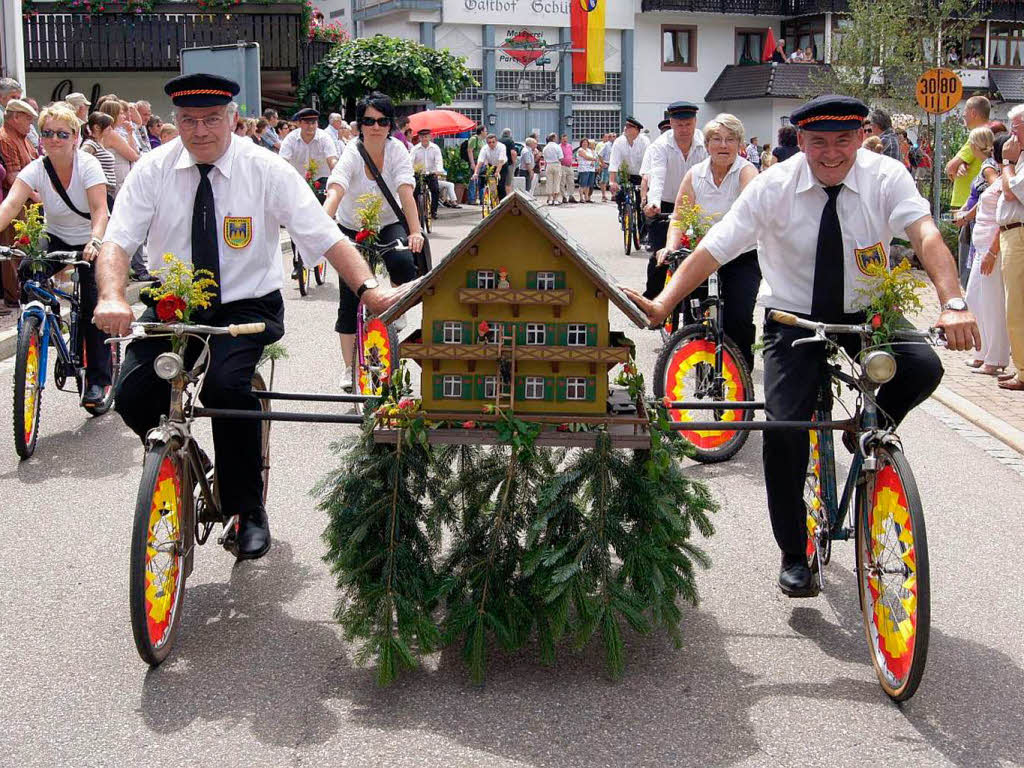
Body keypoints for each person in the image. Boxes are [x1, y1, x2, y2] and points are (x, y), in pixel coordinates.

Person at [624, 95, 978, 596]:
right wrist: (663, 304)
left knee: (922, 366)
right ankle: (794, 552)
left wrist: (954, 301)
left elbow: (925, 235)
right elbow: (715, 247)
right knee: (784, 430)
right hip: (794, 319)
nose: (830, 153)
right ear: (802, 142)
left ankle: (866, 432)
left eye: (842, 141)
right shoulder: (774, 185)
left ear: (861, 137)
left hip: (867, 312)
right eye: (817, 142)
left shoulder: (885, 176)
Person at [93, 74, 408, 560]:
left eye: (212, 120)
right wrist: (112, 295)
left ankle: (247, 508)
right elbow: (116, 241)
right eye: (189, 120)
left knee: (226, 389)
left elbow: (324, 235)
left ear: (233, 119)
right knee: (132, 394)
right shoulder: (152, 169)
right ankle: (182, 456)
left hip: (246, 304)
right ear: (175, 121)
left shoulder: (265, 168)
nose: (200, 131)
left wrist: (368, 290)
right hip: (174, 298)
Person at [0, 102, 112, 404]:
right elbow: (11, 205)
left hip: (90, 238)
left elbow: (101, 210)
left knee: (92, 308)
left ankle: (100, 381)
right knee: (28, 271)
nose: (54, 139)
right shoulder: (36, 168)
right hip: (56, 236)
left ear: (75, 136)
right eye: (47, 133)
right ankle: (42, 325)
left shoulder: (88, 165)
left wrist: (96, 241)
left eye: (62, 134)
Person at [323, 91, 424, 393]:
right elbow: (336, 188)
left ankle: (398, 309)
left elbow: (406, 191)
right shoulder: (352, 152)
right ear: (360, 124)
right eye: (369, 121)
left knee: (404, 261)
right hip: (351, 225)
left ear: (390, 124)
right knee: (349, 297)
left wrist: (416, 231)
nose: (375, 126)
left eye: (382, 121)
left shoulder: (397, 152)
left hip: (387, 223)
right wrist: (321, 223)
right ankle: (348, 367)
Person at [656, 113, 760, 371]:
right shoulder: (695, 174)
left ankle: (741, 376)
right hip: (702, 252)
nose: (723, 145)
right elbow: (679, 216)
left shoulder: (746, 172)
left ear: (739, 144)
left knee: (739, 316)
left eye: (730, 139)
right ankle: (699, 358)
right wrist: (671, 245)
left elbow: (749, 208)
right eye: (716, 139)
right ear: (708, 144)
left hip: (740, 254)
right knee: (695, 312)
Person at [643, 101, 708, 296]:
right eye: (679, 125)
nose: (684, 129)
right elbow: (658, 175)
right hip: (666, 204)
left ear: (695, 122)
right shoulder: (660, 146)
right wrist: (653, 203)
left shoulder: (704, 143)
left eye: (688, 124)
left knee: (701, 255)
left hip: (696, 204)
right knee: (661, 255)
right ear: (671, 123)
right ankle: (652, 303)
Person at [965, 135, 1009, 376]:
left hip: (992, 250)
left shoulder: (1007, 179)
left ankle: (996, 357)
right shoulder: (1001, 177)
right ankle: (982, 351)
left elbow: (1005, 219)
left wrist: (993, 250)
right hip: (981, 248)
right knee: (975, 299)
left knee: (992, 305)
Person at [0, 98, 40, 308]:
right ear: (15, 117)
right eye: (27, 119)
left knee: (29, 248)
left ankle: (27, 289)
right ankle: (14, 294)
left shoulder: (23, 138)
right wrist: (34, 195)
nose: (30, 124)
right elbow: (12, 176)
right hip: (15, 203)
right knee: (14, 250)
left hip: (28, 203)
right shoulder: (5, 138)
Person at [996, 106, 1024, 391]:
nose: (1011, 134)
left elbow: (1010, 190)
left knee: (1016, 306)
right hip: (1011, 235)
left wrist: (1007, 162)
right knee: (1013, 306)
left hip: (1019, 236)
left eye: (1015, 128)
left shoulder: (1014, 160)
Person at [279, 107, 338, 188]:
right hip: (297, 180)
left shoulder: (325, 138)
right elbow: (283, 161)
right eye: (307, 123)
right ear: (299, 123)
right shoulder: (290, 139)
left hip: (321, 180)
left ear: (317, 124)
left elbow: (332, 159)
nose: (310, 126)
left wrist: (338, 177)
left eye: (313, 123)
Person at [609, 117, 650, 207]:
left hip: (641, 175)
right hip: (625, 175)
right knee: (620, 197)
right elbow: (614, 161)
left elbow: (647, 162)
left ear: (637, 130)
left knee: (641, 202)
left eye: (629, 126)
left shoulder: (644, 141)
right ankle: (623, 214)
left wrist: (645, 181)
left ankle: (640, 218)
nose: (625, 128)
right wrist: (612, 181)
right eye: (625, 125)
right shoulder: (619, 142)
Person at [80, 111, 118, 205]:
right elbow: (80, 160)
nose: (111, 129)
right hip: (100, 191)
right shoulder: (90, 144)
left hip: (107, 192)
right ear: (97, 127)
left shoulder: (98, 144)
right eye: (108, 126)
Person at [410, 128, 443, 220]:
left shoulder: (435, 148)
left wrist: (438, 170)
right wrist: (411, 171)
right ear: (419, 138)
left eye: (426, 136)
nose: (424, 138)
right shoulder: (415, 149)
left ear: (430, 137)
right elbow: (410, 161)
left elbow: (438, 160)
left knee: (435, 190)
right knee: (415, 192)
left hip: (431, 173)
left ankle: (433, 211)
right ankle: (416, 212)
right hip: (419, 173)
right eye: (422, 137)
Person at [472, 133, 508, 200]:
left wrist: (497, 172)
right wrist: (475, 173)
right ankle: (492, 201)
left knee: (500, 186)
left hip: (502, 166)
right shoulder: (485, 148)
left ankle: (502, 202)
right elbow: (480, 162)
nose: (491, 144)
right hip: (491, 165)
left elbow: (501, 161)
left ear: (496, 141)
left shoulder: (502, 147)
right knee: (491, 184)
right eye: (489, 142)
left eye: (493, 142)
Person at [465, 125, 486, 204]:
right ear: (481, 132)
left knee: (481, 181)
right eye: (485, 131)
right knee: (473, 181)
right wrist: (472, 163)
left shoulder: (483, 140)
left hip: (482, 162)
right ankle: (471, 199)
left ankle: (482, 199)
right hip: (475, 161)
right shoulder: (474, 139)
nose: (486, 133)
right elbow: (470, 151)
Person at [541, 133, 563, 206]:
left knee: (549, 182)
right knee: (556, 182)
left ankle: (549, 199)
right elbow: (561, 158)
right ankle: (555, 199)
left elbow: (544, 158)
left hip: (548, 165)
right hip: (556, 164)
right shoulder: (557, 147)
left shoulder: (545, 147)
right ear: (553, 138)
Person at [498, 128, 518, 199]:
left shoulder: (498, 140)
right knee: (508, 183)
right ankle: (508, 198)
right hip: (508, 164)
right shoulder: (510, 141)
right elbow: (513, 152)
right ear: (509, 134)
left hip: (499, 164)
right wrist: (514, 162)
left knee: (500, 182)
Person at [576, 138, 597, 202]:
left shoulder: (589, 150)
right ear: (581, 143)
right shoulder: (580, 150)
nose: (585, 143)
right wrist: (593, 159)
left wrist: (593, 160)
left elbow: (595, 156)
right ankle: (581, 198)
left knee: (588, 184)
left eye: (586, 142)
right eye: (583, 142)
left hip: (591, 169)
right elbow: (586, 157)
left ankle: (587, 197)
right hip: (584, 169)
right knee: (583, 184)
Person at [596, 132, 613, 201]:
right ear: (609, 138)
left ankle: (613, 195)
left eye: (615, 136)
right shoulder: (606, 145)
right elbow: (599, 154)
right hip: (607, 164)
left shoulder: (616, 145)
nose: (614, 138)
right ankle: (603, 196)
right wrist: (602, 164)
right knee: (604, 181)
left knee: (614, 181)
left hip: (614, 165)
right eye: (613, 136)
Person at [559, 133, 575, 203]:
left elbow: (571, 155)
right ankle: (564, 197)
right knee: (562, 182)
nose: (565, 141)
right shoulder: (559, 146)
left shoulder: (570, 146)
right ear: (561, 140)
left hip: (569, 166)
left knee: (571, 182)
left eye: (566, 139)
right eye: (563, 139)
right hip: (562, 166)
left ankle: (570, 195)